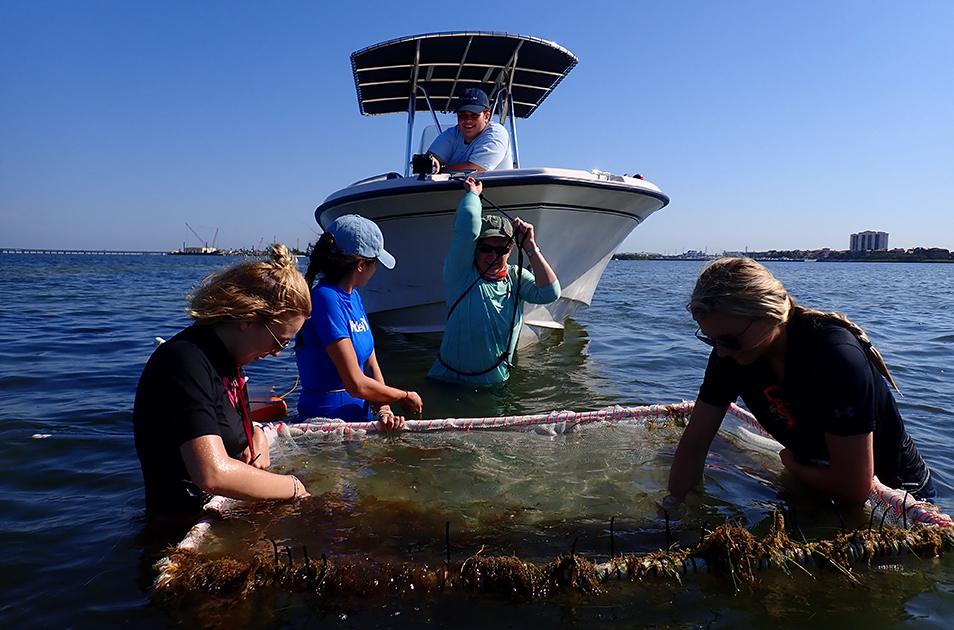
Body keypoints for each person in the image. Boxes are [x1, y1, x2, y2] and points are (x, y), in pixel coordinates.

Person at [667, 257, 935, 508]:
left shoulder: (835, 357)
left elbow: (854, 488)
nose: (721, 352)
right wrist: (672, 509)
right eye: (710, 340)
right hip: (814, 474)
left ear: (770, 315)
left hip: (893, 494)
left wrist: (791, 464)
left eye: (729, 340)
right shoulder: (731, 355)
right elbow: (695, 444)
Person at [134, 243, 312, 517]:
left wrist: (256, 434)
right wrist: (293, 487)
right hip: (182, 526)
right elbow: (212, 473)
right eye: (280, 341)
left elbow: (215, 419)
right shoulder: (185, 362)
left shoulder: (225, 360)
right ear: (248, 318)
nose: (276, 353)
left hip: (221, 512)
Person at [428, 177, 561, 384]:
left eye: (501, 250)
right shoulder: (460, 272)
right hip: (446, 382)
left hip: (495, 387)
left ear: (510, 249)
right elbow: (469, 224)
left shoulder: (515, 278)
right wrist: (473, 194)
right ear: (475, 247)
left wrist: (530, 247)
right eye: (486, 248)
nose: (493, 256)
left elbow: (550, 293)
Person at [296, 214, 422, 427]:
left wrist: (384, 408)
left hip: (358, 422)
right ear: (361, 265)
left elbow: (370, 363)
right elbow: (355, 384)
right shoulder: (325, 298)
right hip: (325, 425)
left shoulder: (354, 296)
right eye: (376, 263)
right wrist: (403, 396)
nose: (376, 270)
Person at [426, 87, 511, 173]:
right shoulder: (452, 133)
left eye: (474, 115)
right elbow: (428, 160)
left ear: (486, 116)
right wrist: (431, 162)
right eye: (463, 115)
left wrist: (438, 171)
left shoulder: (497, 133)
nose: (468, 120)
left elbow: (475, 168)